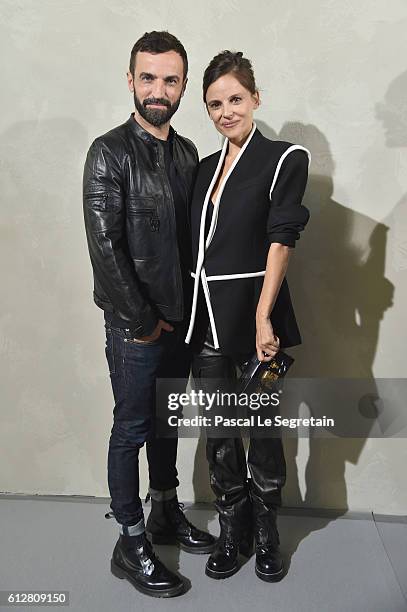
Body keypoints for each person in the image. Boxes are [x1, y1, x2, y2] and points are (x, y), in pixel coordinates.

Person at [83, 31, 215, 598]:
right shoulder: (108, 152)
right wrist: (141, 323)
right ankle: (130, 538)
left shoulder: (186, 153)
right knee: (131, 429)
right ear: (130, 78)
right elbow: (105, 248)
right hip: (136, 329)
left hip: (182, 323)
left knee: (167, 425)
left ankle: (164, 511)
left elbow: (194, 241)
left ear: (182, 85)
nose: (157, 90)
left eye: (170, 79)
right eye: (148, 77)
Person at [186, 50, 310, 582]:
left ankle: (266, 535)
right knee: (219, 433)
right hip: (204, 322)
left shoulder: (284, 158)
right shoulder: (204, 169)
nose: (225, 112)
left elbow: (281, 241)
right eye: (215, 104)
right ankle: (232, 531)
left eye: (235, 99)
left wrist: (264, 318)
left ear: (255, 99)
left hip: (253, 320)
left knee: (259, 429)